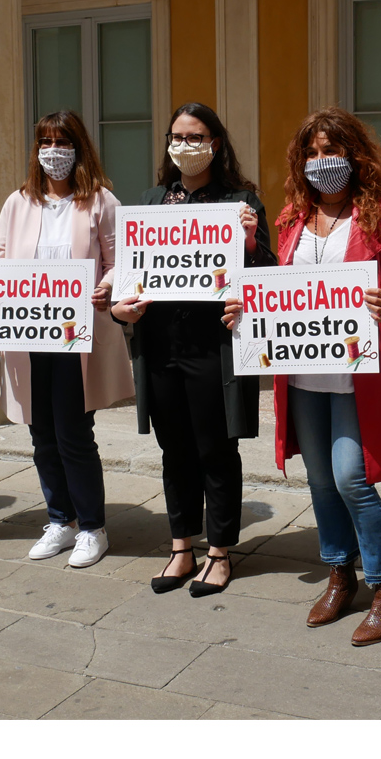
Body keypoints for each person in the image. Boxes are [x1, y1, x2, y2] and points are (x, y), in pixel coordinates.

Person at [227, 106, 381, 646]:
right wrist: (246, 311)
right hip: (302, 371)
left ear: (353, 155)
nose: (320, 161)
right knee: (320, 478)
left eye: (330, 150)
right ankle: (339, 573)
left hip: (357, 371)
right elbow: (274, 290)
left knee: (353, 475)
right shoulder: (289, 220)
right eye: (311, 152)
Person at [112, 103, 276, 597]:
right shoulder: (150, 200)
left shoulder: (241, 202)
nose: (186, 146)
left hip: (213, 345)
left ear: (216, 143)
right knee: (174, 449)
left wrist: (249, 242)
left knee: (214, 448)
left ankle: (220, 552)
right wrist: (121, 308)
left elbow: (268, 275)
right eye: (178, 136)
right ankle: (181, 547)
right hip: (161, 343)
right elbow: (128, 274)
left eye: (197, 135)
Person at [0, 110, 133, 569]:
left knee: (74, 434)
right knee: (41, 434)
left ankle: (93, 527)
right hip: (30, 335)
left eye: (62, 141)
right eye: (45, 142)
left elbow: (120, 261)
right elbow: (1, 263)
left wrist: (107, 285)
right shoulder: (18, 202)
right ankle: (60, 519)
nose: (53, 151)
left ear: (79, 147)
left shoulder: (100, 201)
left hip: (78, 337)